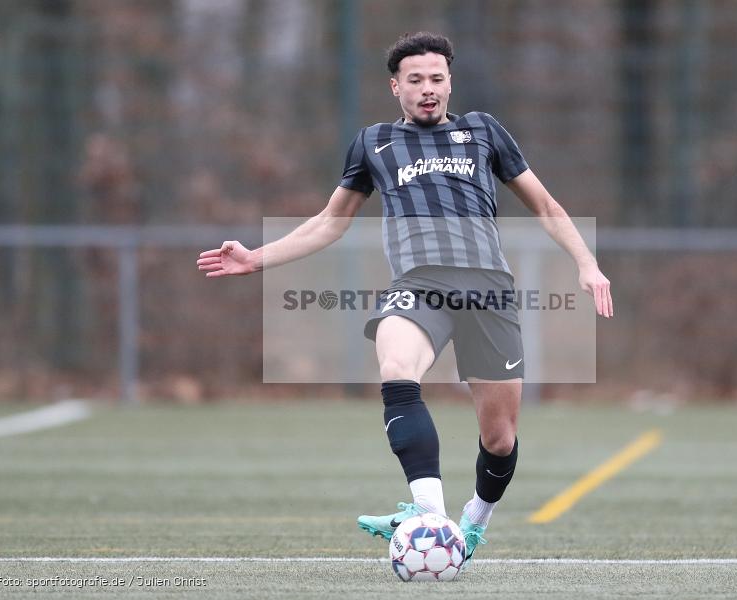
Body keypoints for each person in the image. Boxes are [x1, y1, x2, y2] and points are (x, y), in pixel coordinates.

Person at [197, 31, 612, 568]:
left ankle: (472, 523)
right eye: (415, 80)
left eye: (437, 79)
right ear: (396, 87)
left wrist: (586, 261)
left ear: (449, 83)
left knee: (501, 439)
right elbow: (329, 223)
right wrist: (257, 258)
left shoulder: (483, 132)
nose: (427, 89)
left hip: (487, 289)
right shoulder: (374, 143)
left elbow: (547, 205)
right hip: (419, 285)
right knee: (396, 365)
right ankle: (430, 516)